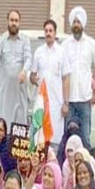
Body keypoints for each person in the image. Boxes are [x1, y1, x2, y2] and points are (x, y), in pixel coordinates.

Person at [62, 6, 95, 149]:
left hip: (85, 101)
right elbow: (59, 71)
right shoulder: (65, 45)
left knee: (85, 139)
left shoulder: (91, 44)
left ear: (83, 24)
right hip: (68, 101)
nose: (76, 25)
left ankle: (86, 163)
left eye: (78, 22)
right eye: (74, 22)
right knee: (68, 139)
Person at [30, 19, 71, 148]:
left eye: (50, 31)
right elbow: (32, 75)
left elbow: (66, 78)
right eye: (46, 31)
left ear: (55, 33)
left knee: (55, 140)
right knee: (40, 139)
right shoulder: (38, 52)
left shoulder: (62, 52)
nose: (48, 33)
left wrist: (66, 103)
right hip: (41, 104)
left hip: (57, 104)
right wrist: (34, 79)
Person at [0, 9, 32, 126]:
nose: (14, 23)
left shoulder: (25, 40)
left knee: (19, 124)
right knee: (3, 122)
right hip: (5, 91)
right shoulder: (2, 39)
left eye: (16, 21)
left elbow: (28, 58)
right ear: (7, 21)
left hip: (19, 90)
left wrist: (24, 71)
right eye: (12, 20)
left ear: (19, 23)